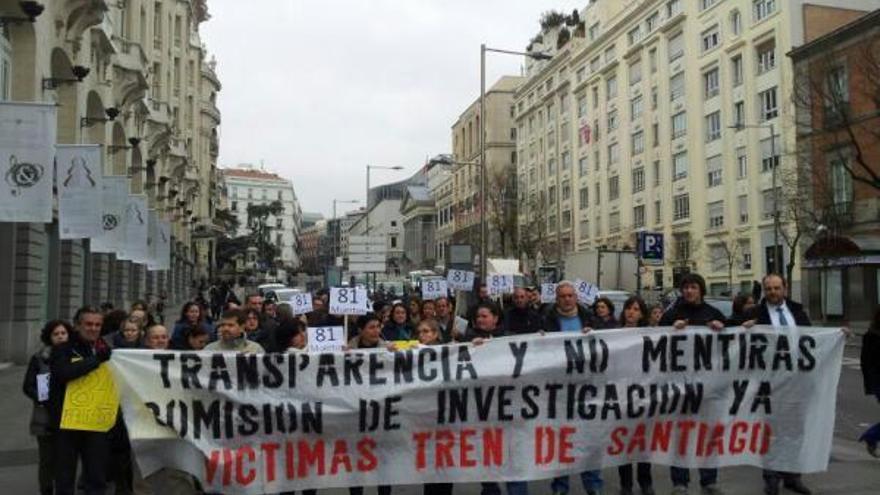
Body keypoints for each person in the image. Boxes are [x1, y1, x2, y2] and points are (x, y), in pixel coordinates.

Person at [741, 274, 813, 495]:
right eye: (768, 289)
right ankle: (771, 477)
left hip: (796, 380)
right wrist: (745, 328)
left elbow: (814, 338)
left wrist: (837, 334)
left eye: (776, 288)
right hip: (769, 382)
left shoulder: (798, 312)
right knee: (771, 430)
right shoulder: (756, 314)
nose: (773, 292)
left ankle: (792, 475)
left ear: (785, 288)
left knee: (794, 430)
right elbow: (730, 333)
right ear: (764, 290)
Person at [659, 273, 725, 495]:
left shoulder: (713, 313)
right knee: (680, 434)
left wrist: (721, 326)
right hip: (679, 386)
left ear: (701, 290)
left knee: (708, 433)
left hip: (707, 386)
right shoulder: (673, 314)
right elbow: (656, 337)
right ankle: (680, 481)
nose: (688, 291)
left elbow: (732, 340)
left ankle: (709, 480)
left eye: (693, 287)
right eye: (685, 287)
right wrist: (670, 329)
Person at [49, 306, 113, 495]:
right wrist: (96, 361)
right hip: (66, 424)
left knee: (96, 476)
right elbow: (63, 373)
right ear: (77, 325)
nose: (93, 328)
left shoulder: (105, 348)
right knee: (64, 477)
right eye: (88, 324)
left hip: (96, 423)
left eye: (98, 324)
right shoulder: (62, 349)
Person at [23, 319, 71, 495]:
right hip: (45, 417)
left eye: (63, 333)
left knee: (65, 460)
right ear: (49, 337)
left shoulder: (75, 356)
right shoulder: (39, 358)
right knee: (47, 460)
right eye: (56, 334)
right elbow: (27, 386)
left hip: (69, 416)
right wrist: (42, 399)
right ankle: (46, 490)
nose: (60, 337)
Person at [616, 297, 655, 495]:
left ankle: (645, 482)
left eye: (636, 309)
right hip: (620, 395)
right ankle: (626, 484)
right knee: (623, 441)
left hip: (643, 394)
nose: (631, 312)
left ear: (642, 314)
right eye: (628, 308)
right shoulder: (612, 335)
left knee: (643, 441)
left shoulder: (649, 336)